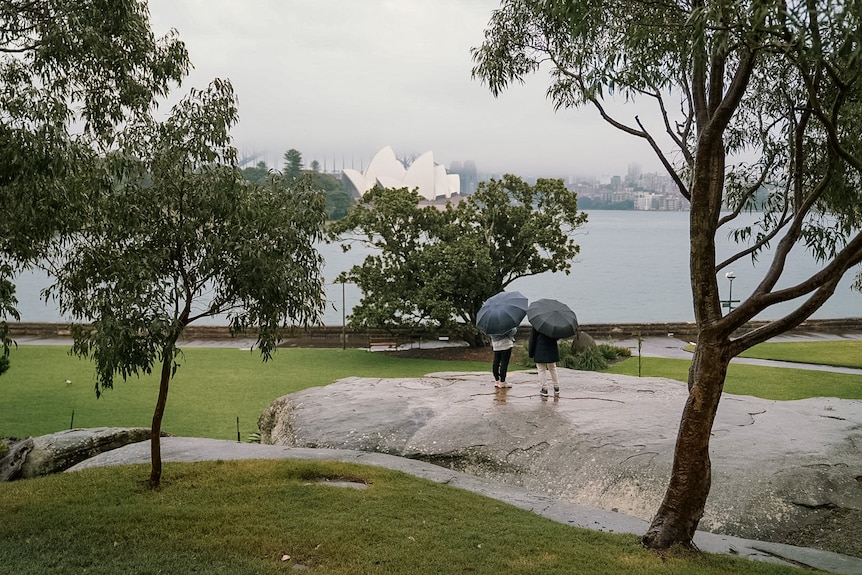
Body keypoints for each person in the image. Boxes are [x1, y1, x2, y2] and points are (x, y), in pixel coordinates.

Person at [528, 327, 560, 397]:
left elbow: (532, 339)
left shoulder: (537, 324)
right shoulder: (554, 324)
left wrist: (531, 353)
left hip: (540, 348)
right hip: (551, 348)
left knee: (541, 370)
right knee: (553, 368)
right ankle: (556, 387)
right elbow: (557, 337)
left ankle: (544, 388)